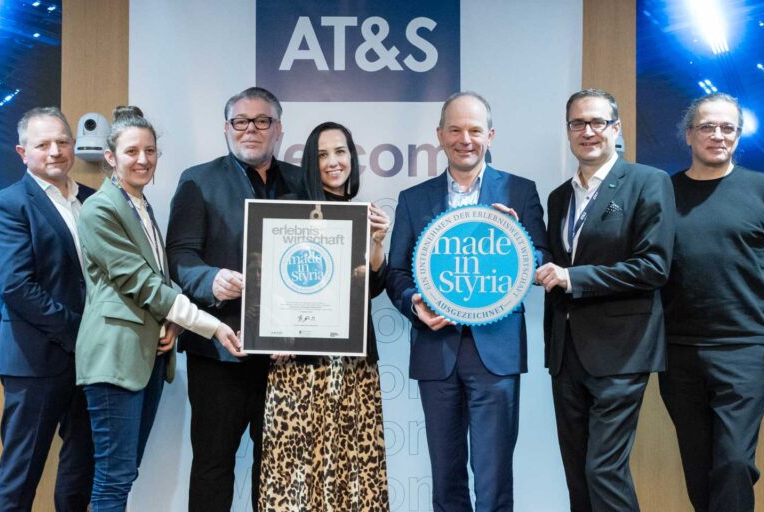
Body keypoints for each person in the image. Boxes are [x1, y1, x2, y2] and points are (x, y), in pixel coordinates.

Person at [386, 91, 549, 511]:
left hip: (495, 353)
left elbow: (543, 262)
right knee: (446, 478)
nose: (465, 139)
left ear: (490, 135)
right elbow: (396, 272)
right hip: (436, 351)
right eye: (455, 129)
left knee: (495, 481)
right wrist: (413, 304)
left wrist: (519, 247)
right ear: (439, 136)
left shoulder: (521, 191)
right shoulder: (413, 199)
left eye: (475, 130)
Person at [75, 106, 242, 512]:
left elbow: (160, 282)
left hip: (146, 356)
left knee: (125, 472)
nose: (143, 159)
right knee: (113, 479)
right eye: (132, 151)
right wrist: (210, 325)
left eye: (150, 151)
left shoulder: (141, 206)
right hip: (114, 357)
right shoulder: (101, 208)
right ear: (111, 157)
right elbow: (140, 282)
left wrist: (175, 322)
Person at [165, 86, 305, 511]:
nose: (251, 130)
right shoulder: (198, 179)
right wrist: (210, 279)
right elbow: (180, 255)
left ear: (278, 129)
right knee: (212, 464)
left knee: (280, 467)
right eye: (240, 122)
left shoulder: (303, 181)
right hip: (218, 351)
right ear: (227, 128)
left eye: (262, 121)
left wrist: (300, 333)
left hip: (287, 355)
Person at [658, 93, 764, 512]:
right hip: (677, 350)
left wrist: (756, 322)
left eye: (727, 128)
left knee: (735, 461)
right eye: (707, 127)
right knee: (698, 463)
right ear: (688, 135)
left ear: (738, 136)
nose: (717, 136)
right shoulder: (662, 191)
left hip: (744, 349)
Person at [536, 88, 674, 512]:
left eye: (597, 122)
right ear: (568, 131)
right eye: (578, 123)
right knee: (577, 472)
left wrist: (573, 278)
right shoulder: (560, 196)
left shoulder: (648, 182)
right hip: (566, 352)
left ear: (616, 129)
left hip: (621, 350)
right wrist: (511, 241)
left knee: (604, 469)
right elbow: (552, 264)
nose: (588, 131)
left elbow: (654, 266)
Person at [259, 121, 391, 511]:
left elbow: (371, 288)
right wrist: (273, 335)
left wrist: (377, 242)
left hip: (353, 366)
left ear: (352, 157)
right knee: (295, 471)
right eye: (322, 155)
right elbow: (267, 281)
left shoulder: (362, 214)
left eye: (340, 152)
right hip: (300, 365)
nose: (333, 162)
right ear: (309, 165)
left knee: (353, 470)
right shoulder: (287, 210)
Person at [0, 107, 95, 512]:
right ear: (22, 151)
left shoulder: (94, 201)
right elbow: (16, 286)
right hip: (35, 362)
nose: (55, 151)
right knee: (20, 479)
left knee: (81, 477)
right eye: (42, 143)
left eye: (63, 142)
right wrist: (82, 331)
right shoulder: (7, 204)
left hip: (93, 363)